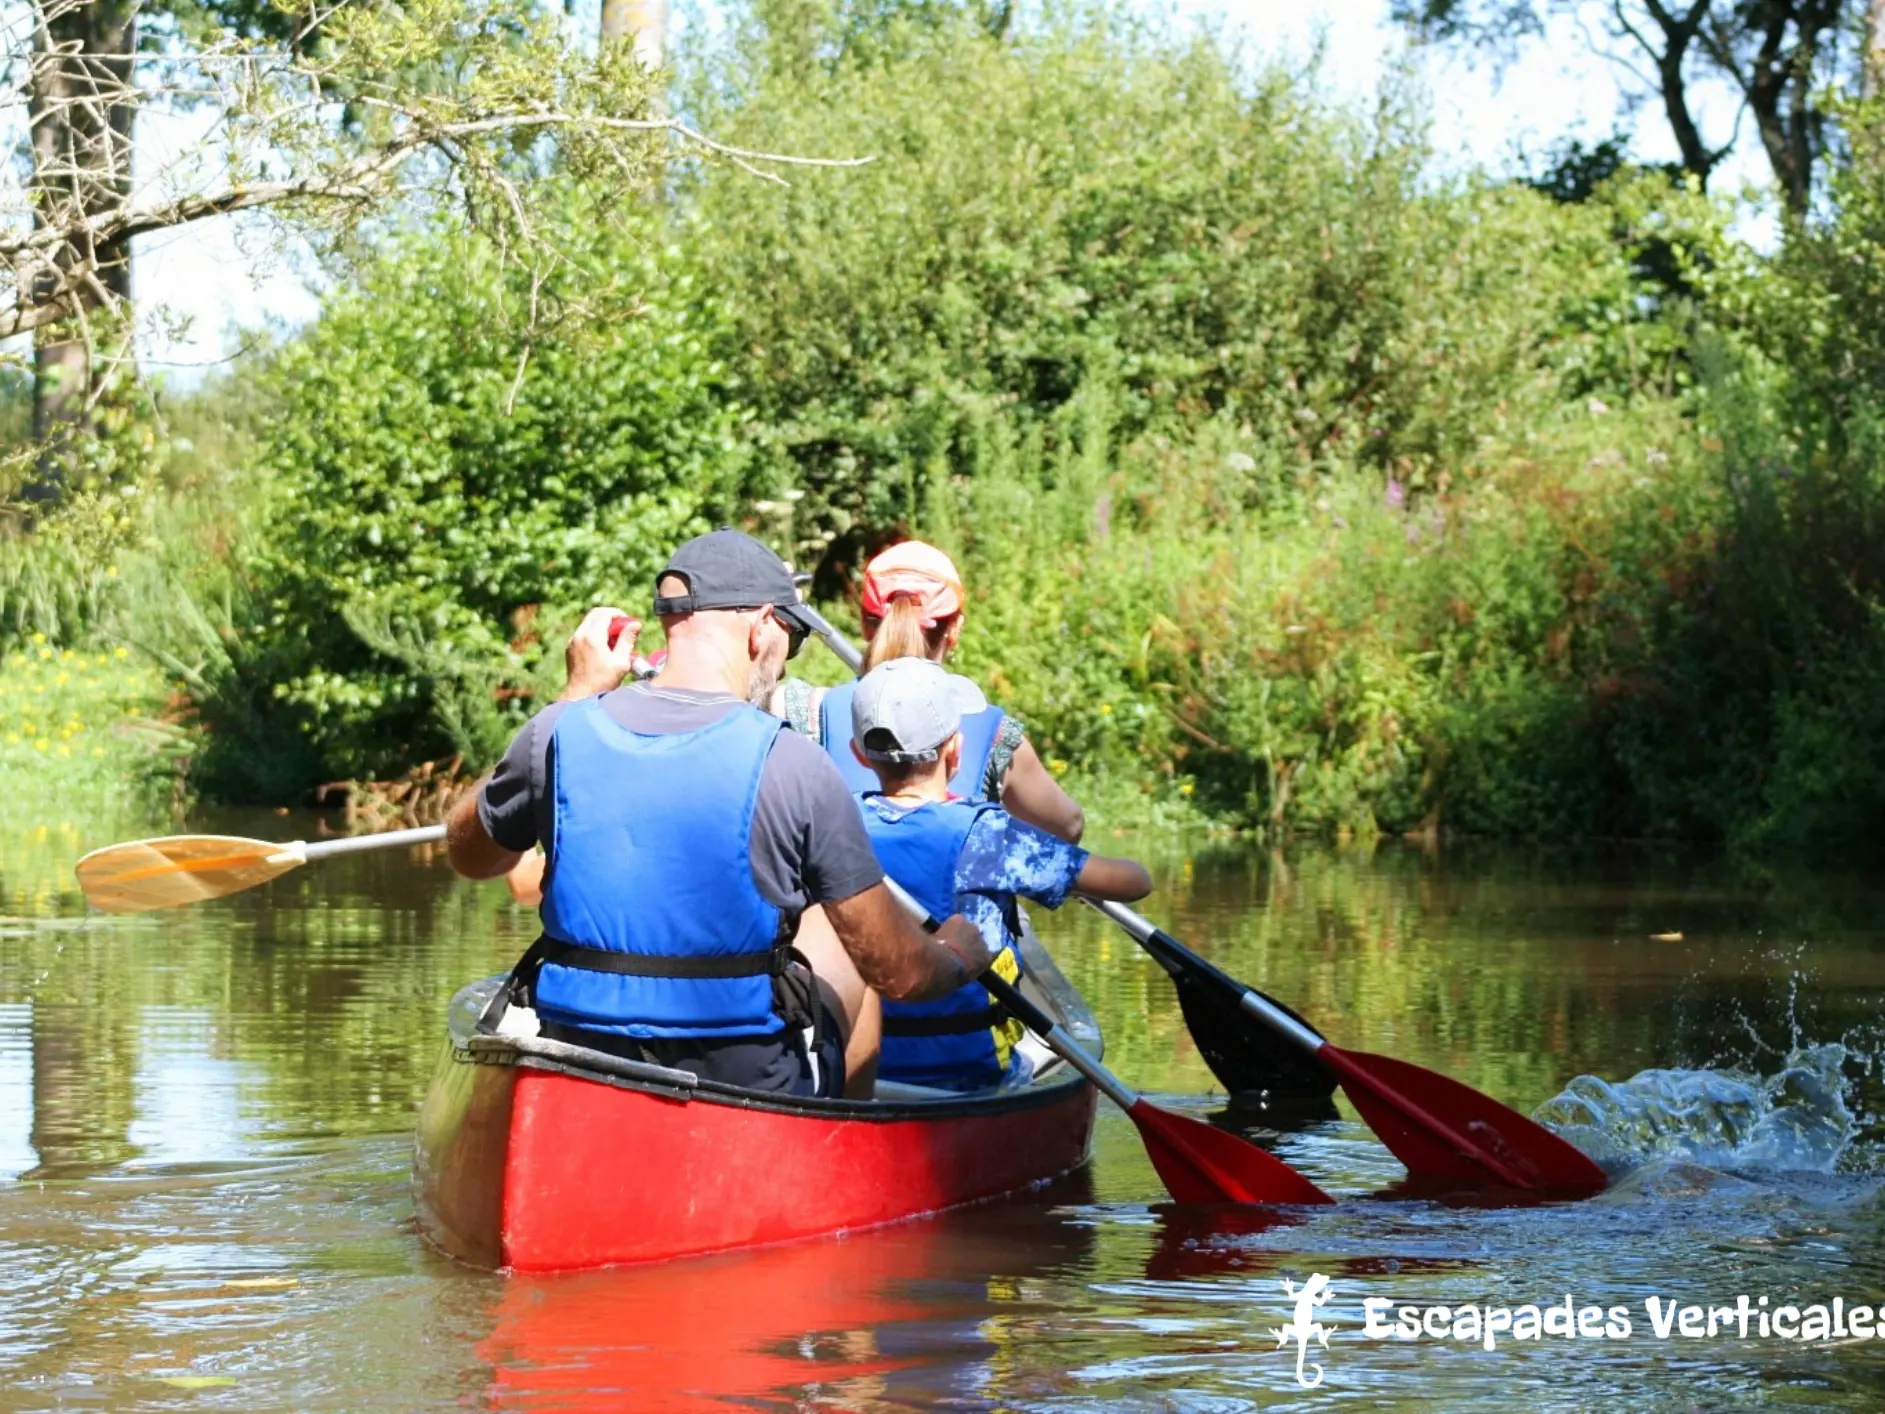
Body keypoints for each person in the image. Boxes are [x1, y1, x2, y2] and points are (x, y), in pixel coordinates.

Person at [445, 529, 992, 1099]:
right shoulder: (796, 763)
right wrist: (956, 955)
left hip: (581, 1059)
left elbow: (470, 857)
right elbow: (898, 971)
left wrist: (572, 696)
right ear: (761, 627)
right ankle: (843, 1145)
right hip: (742, 1082)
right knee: (838, 927)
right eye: (792, 639)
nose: (784, 663)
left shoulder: (558, 730)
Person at [846, 656, 1153, 1091]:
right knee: (1030, 1057)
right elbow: (1134, 883)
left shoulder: (834, 822)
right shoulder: (989, 834)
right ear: (956, 749)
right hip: (971, 1077)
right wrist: (1066, 880)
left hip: (866, 1075)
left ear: (859, 754)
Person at [775, 540, 1087, 843]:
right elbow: (1068, 826)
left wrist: (779, 628)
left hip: (841, 892)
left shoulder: (803, 711)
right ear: (955, 630)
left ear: (866, 626)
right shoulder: (994, 732)